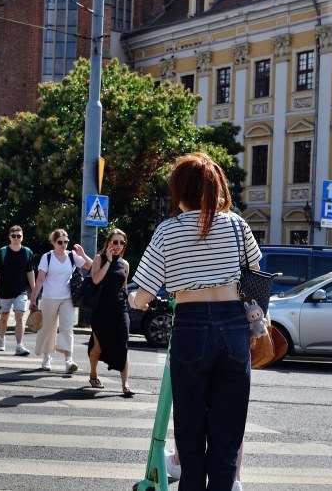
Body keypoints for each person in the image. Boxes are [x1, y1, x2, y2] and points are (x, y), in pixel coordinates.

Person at [131, 152, 263, 491]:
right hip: (233, 327)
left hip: (190, 327)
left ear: (179, 190)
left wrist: (135, 300)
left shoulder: (168, 231)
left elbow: (143, 294)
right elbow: (257, 278)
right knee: (228, 430)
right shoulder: (236, 224)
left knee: (190, 429)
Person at [76, 228, 132, 394]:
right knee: (98, 346)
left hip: (120, 309)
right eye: (115, 242)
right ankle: (93, 376)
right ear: (108, 243)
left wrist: (133, 302)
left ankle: (125, 384)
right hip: (101, 310)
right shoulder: (99, 259)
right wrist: (108, 260)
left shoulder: (125, 264)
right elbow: (96, 279)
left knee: (123, 344)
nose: (118, 245)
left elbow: (124, 287)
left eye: (122, 242)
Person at [31, 228, 84, 373]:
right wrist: (34, 298)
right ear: (53, 242)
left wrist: (83, 254)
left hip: (67, 298)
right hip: (49, 297)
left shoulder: (72, 256)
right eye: (60, 242)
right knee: (47, 329)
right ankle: (47, 358)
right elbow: (40, 279)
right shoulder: (47, 257)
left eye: (66, 241)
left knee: (67, 328)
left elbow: (91, 266)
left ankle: (69, 361)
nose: (63, 244)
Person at [0, 226, 36, 356]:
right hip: (4, 290)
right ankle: (1, 338)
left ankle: (19, 345)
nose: (16, 238)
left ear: (22, 237)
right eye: (14, 236)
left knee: (19, 316)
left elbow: (30, 272)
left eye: (19, 236)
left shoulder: (27, 252)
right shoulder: (3, 252)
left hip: (21, 290)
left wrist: (34, 291)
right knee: (4, 317)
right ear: (10, 237)